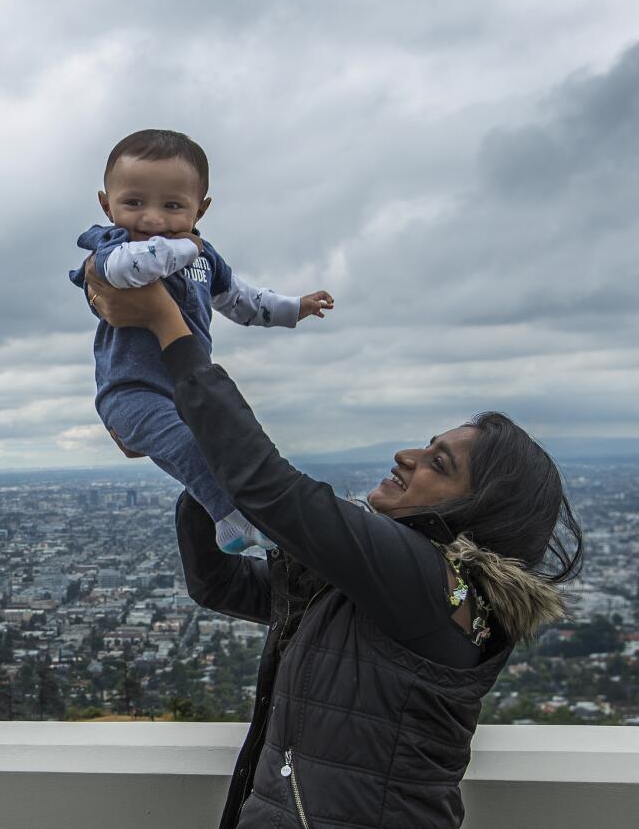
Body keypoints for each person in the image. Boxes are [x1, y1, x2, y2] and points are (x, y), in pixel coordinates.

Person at [81, 268, 583, 829]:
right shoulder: (392, 589)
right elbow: (220, 582)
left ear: (481, 510)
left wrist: (168, 327)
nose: (406, 455)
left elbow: (271, 489)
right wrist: (193, 458)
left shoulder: (426, 580)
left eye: (437, 463)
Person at [70, 129, 334, 553]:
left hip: (184, 389)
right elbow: (127, 271)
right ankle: (231, 518)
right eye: (134, 203)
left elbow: (241, 300)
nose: (152, 220)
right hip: (130, 390)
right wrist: (184, 246)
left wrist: (291, 308)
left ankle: (235, 515)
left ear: (201, 208)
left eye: (172, 206)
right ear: (106, 204)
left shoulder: (205, 257)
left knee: (218, 448)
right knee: (188, 444)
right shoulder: (113, 245)